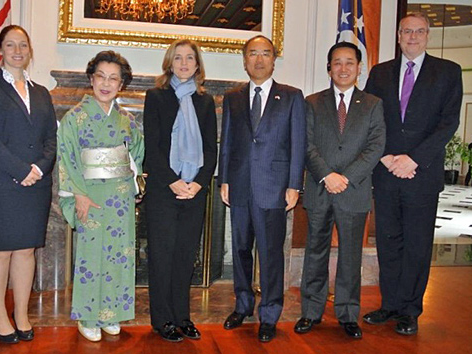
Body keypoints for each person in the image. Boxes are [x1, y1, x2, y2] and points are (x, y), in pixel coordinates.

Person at [363, 12, 463, 335]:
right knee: (389, 243)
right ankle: (389, 304)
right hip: (387, 171)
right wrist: (387, 157)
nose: (413, 37)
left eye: (419, 31)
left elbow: (448, 123)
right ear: (398, 35)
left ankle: (410, 310)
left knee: (417, 246)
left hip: (422, 173)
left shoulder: (448, 72)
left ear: (428, 36)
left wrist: (414, 159)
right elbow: (368, 119)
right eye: (407, 31)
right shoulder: (379, 73)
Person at [0, 25, 57, 344]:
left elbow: (51, 138)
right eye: (10, 45)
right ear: (0, 50)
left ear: (29, 50)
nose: (17, 50)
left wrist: (38, 168)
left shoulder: (42, 93)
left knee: (25, 251)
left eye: (23, 45)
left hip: (36, 184)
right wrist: (21, 169)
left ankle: (21, 312)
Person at [294, 42, 385, 339]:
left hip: (354, 191)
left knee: (350, 256)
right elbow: (306, 145)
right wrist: (327, 176)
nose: (343, 68)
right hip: (320, 189)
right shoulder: (312, 102)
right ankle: (311, 312)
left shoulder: (372, 104)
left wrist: (345, 178)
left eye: (349, 62)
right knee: (315, 253)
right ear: (328, 68)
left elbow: (376, 147)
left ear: (359, 68)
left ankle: (347, 313)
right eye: (337, 62)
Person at [219, 35, 306, 342]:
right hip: (240, 187)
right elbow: (227, 142)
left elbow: (298, 144)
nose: (258, 59)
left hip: (275, 188)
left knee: (270, 254)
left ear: (273, 59)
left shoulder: (292, 96)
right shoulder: (232, 97)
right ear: (245, 61)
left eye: (265, 54)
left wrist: (295, 184)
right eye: (252, 54)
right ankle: (243, 305)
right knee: (241, 250)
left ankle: (269, 313)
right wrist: (224, 179)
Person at [57, 51, 144, 342]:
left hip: (120, 197)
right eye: (101, 76)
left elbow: (137, 157)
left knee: (120, 255)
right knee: (91, 257)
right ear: (91, 79)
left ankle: (112, 313)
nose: (106, 83)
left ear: (121, 84)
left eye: (113, 78)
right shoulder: (75, 118)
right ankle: (87, 315)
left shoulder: (127, 121)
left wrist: (135, 185)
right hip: (89, 194)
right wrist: (78, 195)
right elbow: (67, 157)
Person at [143, 39, 217, 343]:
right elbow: (152, 147)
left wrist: (198, 183)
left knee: (185, 257)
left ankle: (182, 317)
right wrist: (174, 181)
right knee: (162, 256)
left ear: (197, 65)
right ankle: (162, 320)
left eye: (190, 58)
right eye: (178, 58)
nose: (184, 63)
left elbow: (211, 149)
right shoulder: (156, 97)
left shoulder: (205, 102)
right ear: (169, 63)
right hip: (164, 190)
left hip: (194, 192)